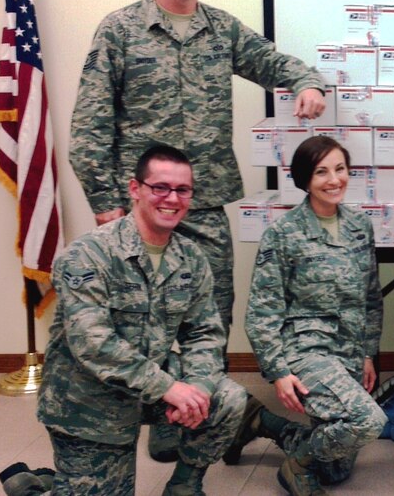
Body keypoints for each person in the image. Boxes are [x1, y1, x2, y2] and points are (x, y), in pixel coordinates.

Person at [69, 0, 326, 343]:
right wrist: (105, 203)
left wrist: (307, 83)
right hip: (141, 204)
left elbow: (270, 61)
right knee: (137, 314)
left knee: (211, 312)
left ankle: (208, 403)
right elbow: (88, 126)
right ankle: (150, 404)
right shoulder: (121, 30)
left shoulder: (221, 29)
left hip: (203, 202)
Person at [36, 145, 246, 496]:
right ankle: (37, 485)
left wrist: (198, 390)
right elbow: (94, 344)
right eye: (160, 187)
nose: (172, 199)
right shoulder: (88, 254)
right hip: (87, 403)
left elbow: (205, 334)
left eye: (182, 190)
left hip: (149, 384)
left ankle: (184, 485)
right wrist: (170, 388)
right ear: (136, 189)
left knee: (228, 397)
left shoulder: (191, 257)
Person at [243, 135, 388, 495]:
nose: (334, 179)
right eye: (322, 172)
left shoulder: (359, 227)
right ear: (305, 179)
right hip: (306, 350)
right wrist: (278, 371)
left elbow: (371, 297)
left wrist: (369, 353)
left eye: (340, 169)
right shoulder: (284, 233)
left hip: (349, 351)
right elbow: (262, 310)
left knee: (336, 470)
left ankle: (262, 422)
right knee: (369, 420)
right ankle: (296, 464)